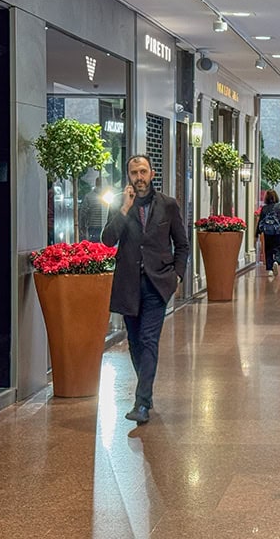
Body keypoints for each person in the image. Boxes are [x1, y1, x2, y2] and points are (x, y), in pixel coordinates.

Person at [102, 155, 189, 424]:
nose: (138, 177)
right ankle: (146, 395)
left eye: (143, 172)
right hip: (128, 283)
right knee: (135, 341)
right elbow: (107, 240)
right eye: (133, 172)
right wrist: (124, 208)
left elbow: (182, 245)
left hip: (157, 284)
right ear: (128, 176)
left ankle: (141, 403)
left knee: (149, 340)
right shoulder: (120, 203)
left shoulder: (168, 205)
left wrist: (177, 276)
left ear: (152, 174)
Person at [256, 189, 280, 277]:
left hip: (267, 232)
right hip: (278, 231)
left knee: (268, 250)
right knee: (277, 248)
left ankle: (270, 269)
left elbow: (260, 221)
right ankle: (276, 260)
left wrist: (257, 233)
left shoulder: (264, 208)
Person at [79, 177, 106, 242]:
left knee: (94, 246)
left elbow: (83, 213)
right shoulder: (109, 196)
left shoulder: (88, 196)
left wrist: (82, 226)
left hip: (93, 226)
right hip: (103, 226)